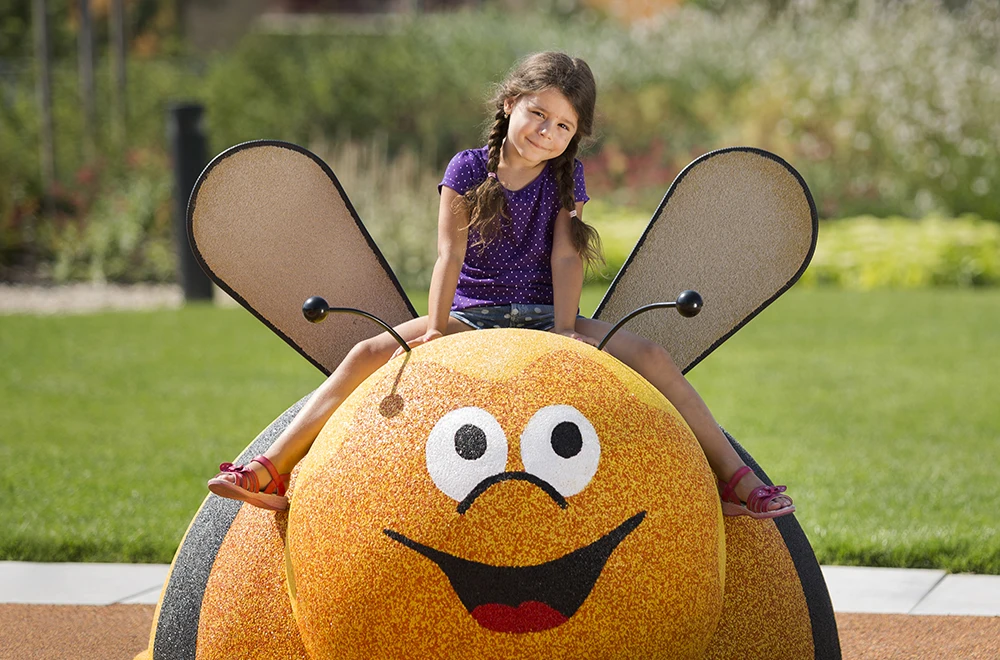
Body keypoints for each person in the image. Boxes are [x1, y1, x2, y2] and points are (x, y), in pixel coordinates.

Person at [208, 51, 794, 519]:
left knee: (653, 358)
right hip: (472, 315)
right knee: (366, 352)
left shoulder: (568, 177)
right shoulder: (466, 169)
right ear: (511, 104)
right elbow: (449, 252)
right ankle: (269, 467)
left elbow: (567, 258)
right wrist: (436, 328)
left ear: (574, 136)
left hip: (545, 314)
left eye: (564, 125)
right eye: (539, 114)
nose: (548, 131)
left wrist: (567, 332)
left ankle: (736, 481)